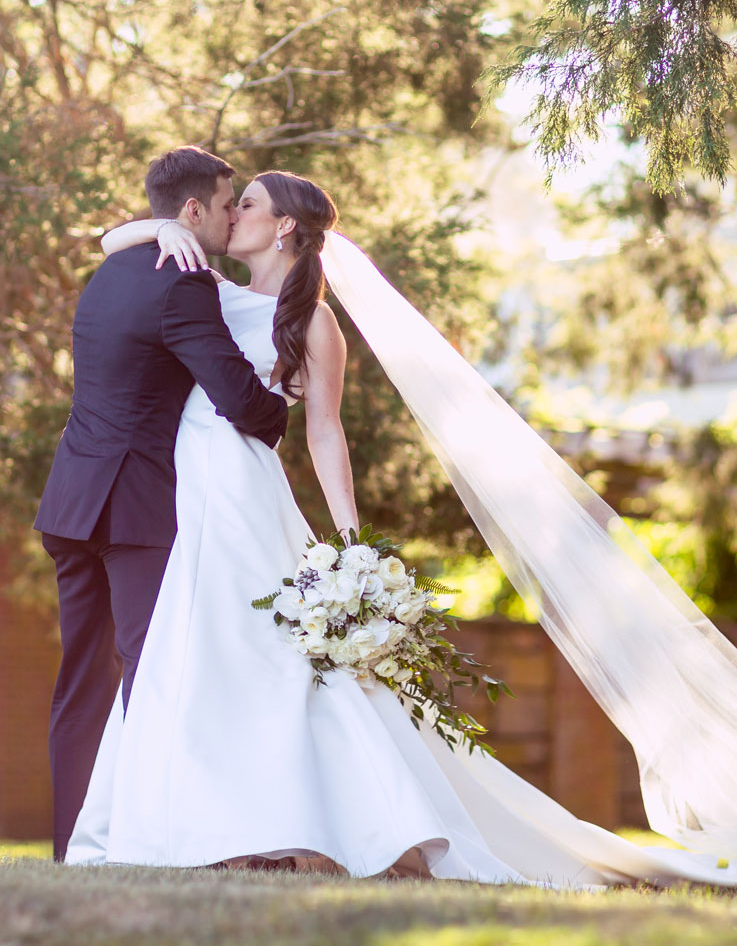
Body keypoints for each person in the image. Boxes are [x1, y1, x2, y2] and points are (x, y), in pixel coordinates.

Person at [64, 169, 737, 886]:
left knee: (270, 659)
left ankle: (336, 825)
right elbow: (117, 240)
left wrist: (350, 546)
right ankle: (197, 818)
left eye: (249, 205)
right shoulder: (209, 293)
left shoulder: (313, 323)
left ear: (285, 225)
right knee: (192, 649)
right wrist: (162, 224)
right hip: (184, 489)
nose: (232, 218)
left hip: (242, 491)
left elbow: (324, 432)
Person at [34, 147, 289, 863]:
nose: (232, 213)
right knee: (154, 676)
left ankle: (72, 848)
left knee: (82, 683)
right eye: (226, 200)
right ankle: (152, 836)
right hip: (133, 509)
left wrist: (132, 231)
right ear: (190, 211)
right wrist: (281, 413)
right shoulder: (184, 284)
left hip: (71, 499)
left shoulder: (110, 270)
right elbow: (237, 395)